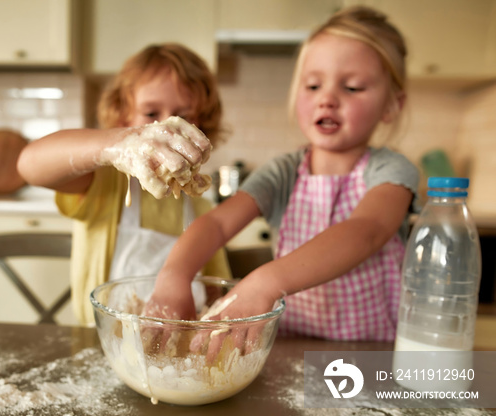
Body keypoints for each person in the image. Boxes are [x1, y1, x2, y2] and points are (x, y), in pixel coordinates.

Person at [150, 6, 420, 346]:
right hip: (290, 346)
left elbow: (366, 231)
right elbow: (218, 224)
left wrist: (265, 282)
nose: (328, 99)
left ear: (392, 105)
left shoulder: (392, 171)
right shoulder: (283, 173)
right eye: (313, 85)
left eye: (352, 87)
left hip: (372, 352)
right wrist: (174, 275)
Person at [17, 43, 231, 325]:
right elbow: (30, 165)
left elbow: (215, 288)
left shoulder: (201, 205)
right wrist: (116, 145)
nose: (165, 127)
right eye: (151, 114)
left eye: (184, 115)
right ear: (123, 119)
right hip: (104, 342)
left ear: (201, 124)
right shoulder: (103, 186)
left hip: (179, 350)